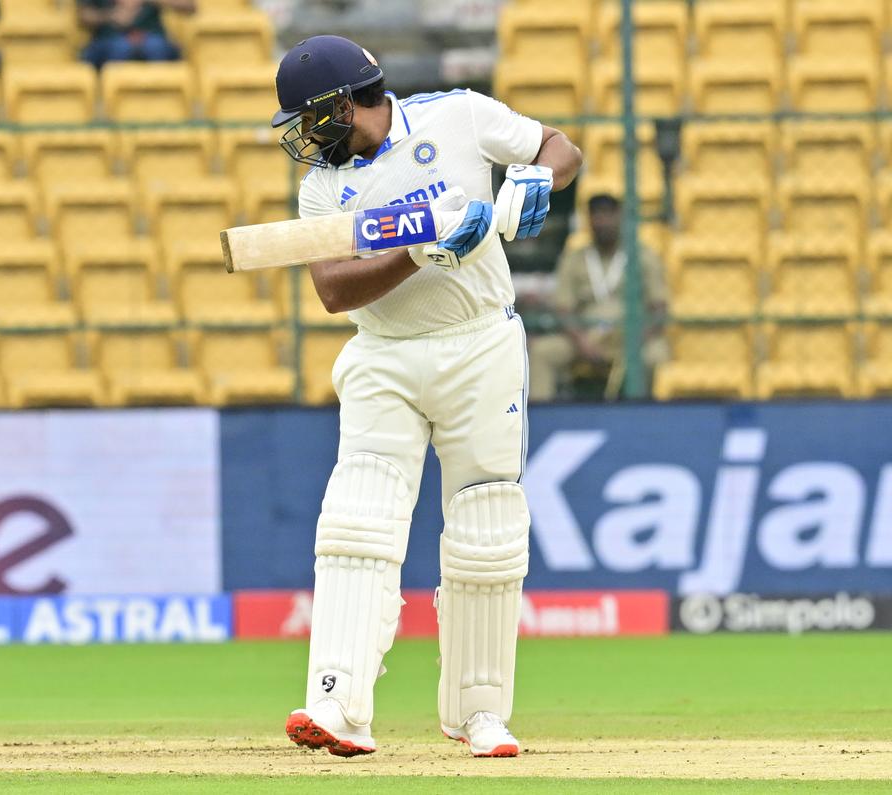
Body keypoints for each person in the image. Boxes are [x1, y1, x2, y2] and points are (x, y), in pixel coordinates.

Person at [271, 36, 581, 758]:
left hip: (480, 344)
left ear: (348, 102)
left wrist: (537, 181)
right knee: (359, 519)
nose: (307, 138)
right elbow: (332, 288)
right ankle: (337, 704)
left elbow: (558, 146)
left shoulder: (461, 117)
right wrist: (418, 253)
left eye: (313, 118)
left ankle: (481, 714)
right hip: (383, 355)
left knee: (486, 525)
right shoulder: (322, 185)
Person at [528, 193, 668, 401]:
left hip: (632, 337)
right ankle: (541, 419)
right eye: (597, 215)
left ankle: (645, 417)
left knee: (657, 355)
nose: (603, 222)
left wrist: (637, 340)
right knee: (542, 352)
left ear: (620, 216)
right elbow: (563, 309)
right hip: (586, 337)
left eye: (608, 214)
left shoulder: (643, 255)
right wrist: (582, 342)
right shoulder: (575, 258)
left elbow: (659, 309)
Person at [78, 0, 195, 69]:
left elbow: (189, 6)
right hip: (109, 38)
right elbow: (84, 16)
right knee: (120, 48)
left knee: (156, 47)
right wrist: (111, 16)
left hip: (151, 37)